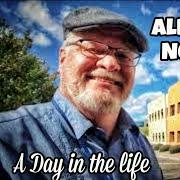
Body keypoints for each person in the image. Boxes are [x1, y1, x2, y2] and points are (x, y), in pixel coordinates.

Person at [0, 7, 163, 179]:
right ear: (63, 59)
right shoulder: (7, 141)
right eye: (93, 49)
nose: (111, 63)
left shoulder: (141, 143)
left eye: (123, 55)